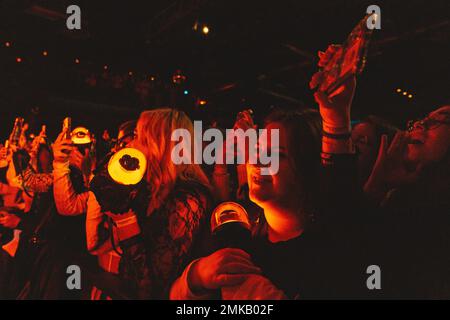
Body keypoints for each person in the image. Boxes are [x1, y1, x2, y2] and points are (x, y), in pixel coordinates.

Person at [86, 108, 212, 299]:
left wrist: (125, 219)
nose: (132, 144)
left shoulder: (190, 198)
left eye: (137, 136)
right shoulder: (149, 186)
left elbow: (151, 288)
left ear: (159, 142)